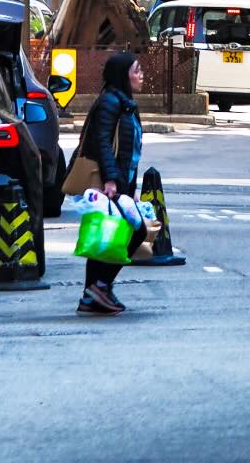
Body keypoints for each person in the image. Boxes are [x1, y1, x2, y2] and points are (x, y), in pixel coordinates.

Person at [78, 52, 146, 318]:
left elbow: (131, 149)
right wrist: (110, 179)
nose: (142, 75)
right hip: (111, 182)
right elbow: (103, 141)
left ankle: (91, 295)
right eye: (137, 70)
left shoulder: (126, 103)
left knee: (105, 235)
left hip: (122, 181)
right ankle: (100, 286)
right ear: (123, 75)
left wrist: (131, 185)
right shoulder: (110, 102)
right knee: (134, 230)